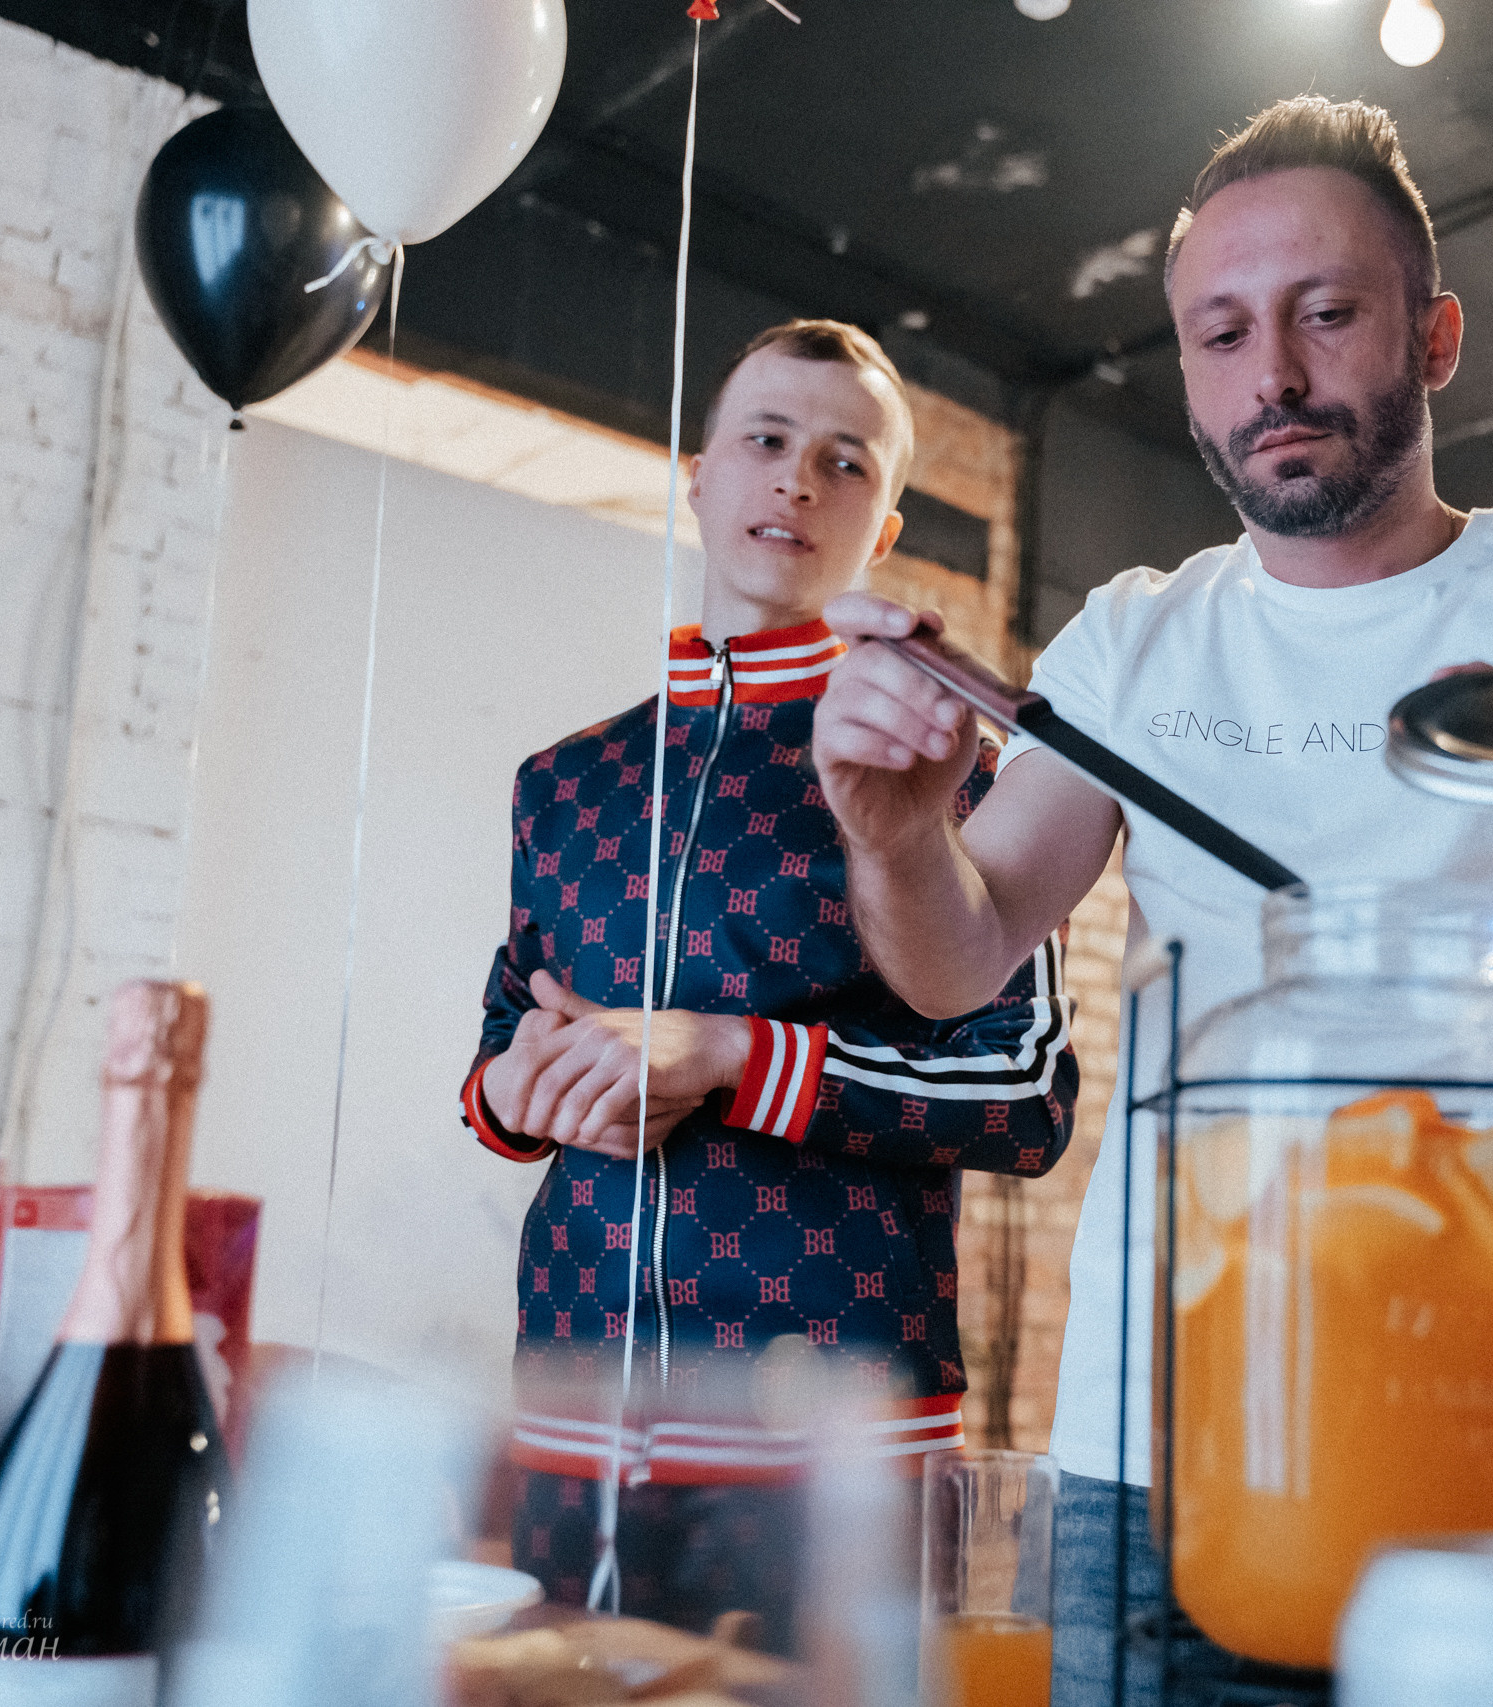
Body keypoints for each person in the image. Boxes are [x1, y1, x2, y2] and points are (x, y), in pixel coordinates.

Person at [810, 98, 1493, 1700]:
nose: (1270, 376)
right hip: (1166, 1438)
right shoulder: (1134, 642)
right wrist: (893, 831)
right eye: (1219, 333)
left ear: (1436, 335)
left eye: (1326, 314)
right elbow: (956, 958)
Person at [460, 319, 1078, 1647]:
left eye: (844, 460)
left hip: (838, 1443)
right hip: (574, 1421)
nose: (800, 479)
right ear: (698, 475)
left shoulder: (944, 763)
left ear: (888, 522)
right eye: (768, 440)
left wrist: (730, 1057)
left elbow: (1024, 1097)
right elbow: (505, 1043)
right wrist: (528, 1085)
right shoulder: (562, 782)